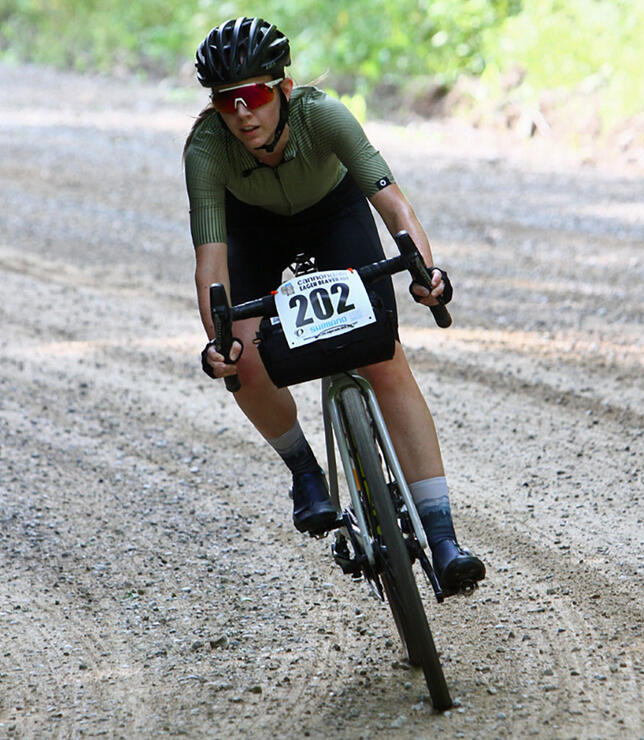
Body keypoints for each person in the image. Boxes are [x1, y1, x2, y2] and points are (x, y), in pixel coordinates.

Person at [183, 17, 485, 592]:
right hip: (254, 229)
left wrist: (425, 273)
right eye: (227, 102)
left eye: (253, 96)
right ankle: (304, 470)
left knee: (384, 357)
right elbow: (211, 263)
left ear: (283, 90)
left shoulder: (323, 115)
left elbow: (394, 206)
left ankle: (443, 539)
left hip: (333, 213)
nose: (242, 113)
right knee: (245, 359)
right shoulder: (206, 150)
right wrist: (218, 342)